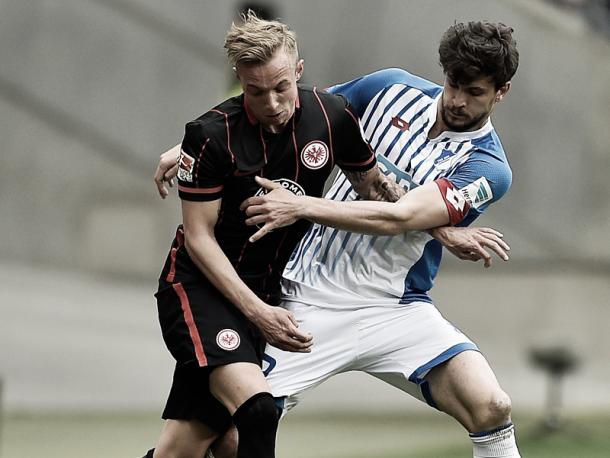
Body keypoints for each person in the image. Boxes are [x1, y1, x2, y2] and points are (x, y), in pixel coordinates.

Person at [153, 18, 518, 458]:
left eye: (475, 92)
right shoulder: (389, 87)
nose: (457, 101)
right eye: (453, 84)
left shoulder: (488, 168)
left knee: (492, 406)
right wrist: (193, 148)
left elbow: (399, 216)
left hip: (396, 309)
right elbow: (297, 109)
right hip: (303, 295)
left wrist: (302, 205)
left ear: (502, 92)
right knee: (226, 439)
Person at [143, 10, 417, 458]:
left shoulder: (333, 118)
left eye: (281, 87)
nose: (271, 103)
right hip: (198, 289)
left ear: (300, 72)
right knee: (258, 411)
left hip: (261, 291)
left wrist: (444, 231)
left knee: (188, 450)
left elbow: (379, 192)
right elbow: (198, 238)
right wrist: (259, 314)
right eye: (256, 92)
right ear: (239, 81)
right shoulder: (210, 136)